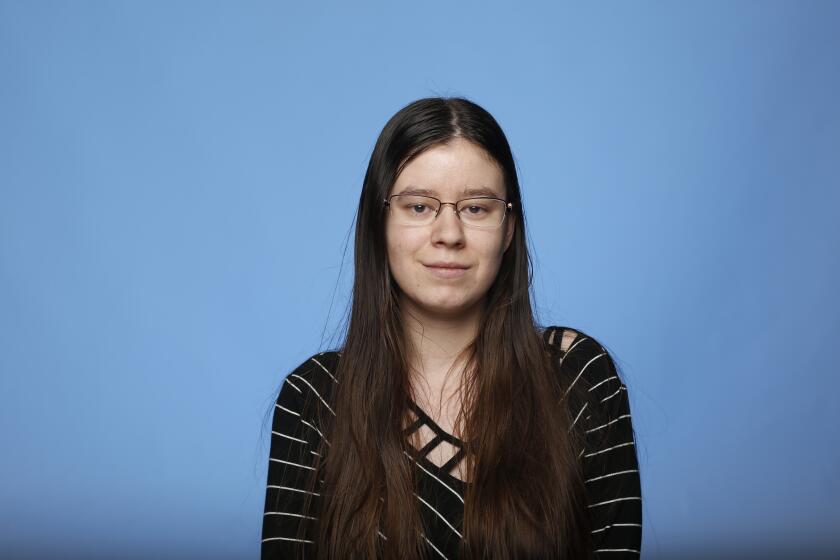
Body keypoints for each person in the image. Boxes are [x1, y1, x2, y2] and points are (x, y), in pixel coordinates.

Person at [261, 97, 642, 559]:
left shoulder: (577, 378)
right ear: (379, 224)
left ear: (508, 229)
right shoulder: (315, 399)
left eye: (476, 208)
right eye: (419, 207)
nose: (449, 233)